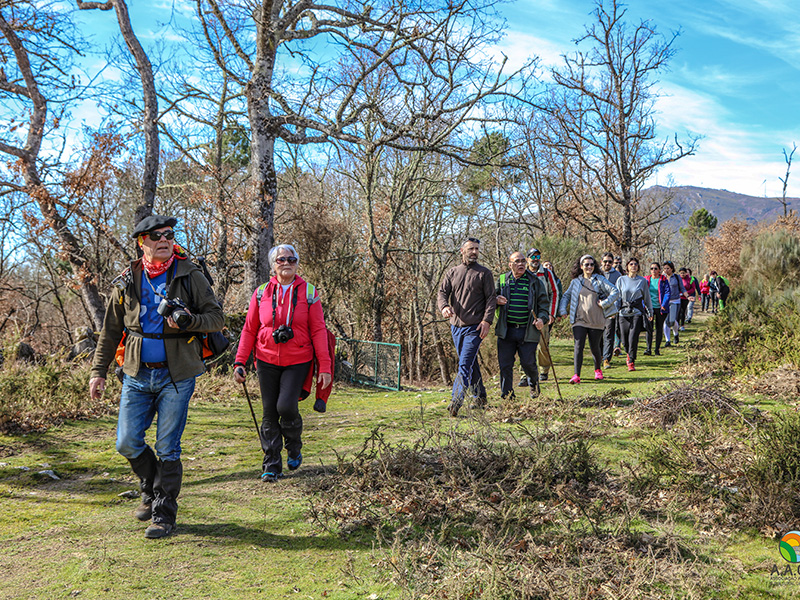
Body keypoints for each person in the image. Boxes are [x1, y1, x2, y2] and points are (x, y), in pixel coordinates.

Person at [89, 215, 225, 539]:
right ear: (142, 242)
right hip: (135, 374)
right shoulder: (127, 279)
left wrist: (190, 321)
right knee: (126, 441)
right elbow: (110, 331)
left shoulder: (190, 274)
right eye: (155, 236)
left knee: (167, 446)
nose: (164, 240)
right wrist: (98, 371)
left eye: (168, 235)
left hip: (176, 376)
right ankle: (150, 486)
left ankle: (163, 514)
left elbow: (216, 317)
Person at [234, 244, 332, 482]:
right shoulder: (261, 293)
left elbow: (319, 330)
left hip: (298, 359)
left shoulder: (309, 293)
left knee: (286, 407)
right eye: (281, 260)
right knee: (269, 412)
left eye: (291, 259)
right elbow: (249, 330)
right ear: (273, 265)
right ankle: (271, 464)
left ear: (297, 262)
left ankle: (294, 444)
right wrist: (240, 361)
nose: (286, 263)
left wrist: (325, 366)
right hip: (265, 359)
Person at [437, 237, 496, 416]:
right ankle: (480, 397)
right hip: (456, 326)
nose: (474, 252)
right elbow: (442, 292)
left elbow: (491, 299)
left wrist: (487, 321)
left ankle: (456, 401)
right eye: (471, 249)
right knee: (470, 363)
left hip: (475, 328)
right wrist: (444, 307)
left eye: (477, 249)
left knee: (464, 364)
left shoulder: (484, 273)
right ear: (462, 250)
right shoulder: (453, 272)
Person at [495, 252, 549, 399]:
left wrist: (542, 319)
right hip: (506, 331)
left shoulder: (535, 281)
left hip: (527, 331)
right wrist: (495, 300)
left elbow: (544, 305)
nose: (521, 264)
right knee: (505, 364)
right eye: (517, 261)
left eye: (523, 262)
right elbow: (489, 301)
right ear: (510, 264)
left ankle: (534, 386)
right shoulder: (502, 280)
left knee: (528, 363)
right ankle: (507, 394)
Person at [559, 255, 619, 384]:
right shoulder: (575, 282)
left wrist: (605, 303)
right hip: (579, 319)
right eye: (586, 264)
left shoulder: (600, 280)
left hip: (596, 319)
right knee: (578, 345)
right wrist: (563, 310)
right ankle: (576, 375)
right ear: (581, 266)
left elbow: (615, 291)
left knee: (595, 346)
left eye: (592, 264)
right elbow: (566, 296)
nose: (589, 267)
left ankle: (598, 370)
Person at [521, 248, 560, 384]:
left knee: (543, 344)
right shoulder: (522, 273)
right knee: (524, 344)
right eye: (533, 256)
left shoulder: (547, 273)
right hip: (525, 315)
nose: (536, 259)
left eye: (538, 256)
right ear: (527, 259)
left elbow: (554, 293)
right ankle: (525, 374)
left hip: (542, 314)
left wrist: (551, 314)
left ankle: (544, 370)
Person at [616, 258, 652, 371]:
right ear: (627, 266)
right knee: (625, 340)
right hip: (623, 312)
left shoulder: (642, 281)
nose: (633, 266)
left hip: (636, 312)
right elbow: (616, 297)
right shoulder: (621, 280)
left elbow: (647, 298)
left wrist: (649, 312)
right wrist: (612, 311)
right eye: (631, 264)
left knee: (633, 338)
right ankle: (628, 353)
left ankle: (631, 361)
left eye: (636, 264)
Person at [600, 252, 621, 368]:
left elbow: (619, 293)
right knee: (598, 334)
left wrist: (615, 309)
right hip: (597, 308)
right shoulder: (596, 273)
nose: (607, 264)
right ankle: (599, 356)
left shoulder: (617, 275)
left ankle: (606, 359)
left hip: (610, 309)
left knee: (608, 334)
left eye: (610, 262)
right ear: (601, 262)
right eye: (605, 261)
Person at [644, 263, 670, 356]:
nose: (653, 270)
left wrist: (664, 304)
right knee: (649, 328)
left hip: (660, 308)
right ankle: (648, 349)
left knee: (659, 329)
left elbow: (667, 292)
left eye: (655, 268)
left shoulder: (663, 280)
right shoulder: (646, 279)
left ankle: (657, 349)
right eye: (651, 268)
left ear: (659, 270)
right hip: (649, 308)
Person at [661, 261, 685, 347]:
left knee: (672, 320)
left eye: (668, 268)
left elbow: (682, 288)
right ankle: (668, 341)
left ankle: (676, 334)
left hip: (675, 301)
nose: (666, 270)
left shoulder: (677, 277)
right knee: (666, 321)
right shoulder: (662, 278)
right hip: (665, 301)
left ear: (672, 269)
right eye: (664, 268)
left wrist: (688, 296)